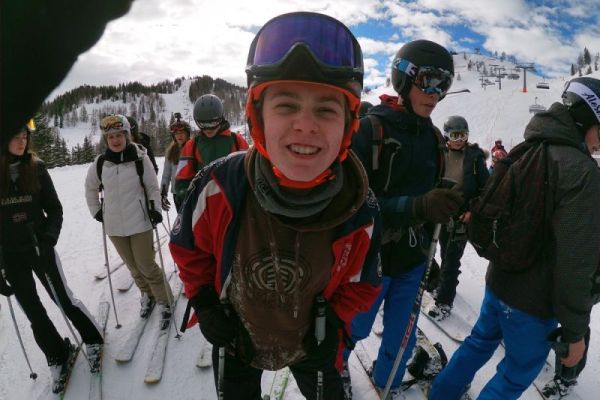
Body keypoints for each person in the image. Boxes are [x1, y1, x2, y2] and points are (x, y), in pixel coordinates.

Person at [169, 11, 382, 400]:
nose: (305, 125)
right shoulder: (219, 186)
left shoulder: (359, 207)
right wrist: (204, 301)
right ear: (258, 117)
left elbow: (364, 281)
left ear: (348, 124)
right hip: (237, 335)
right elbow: (188, 249)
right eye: (286, 105)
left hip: (312, 343)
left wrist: (336, 323)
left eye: (326, 109)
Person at [429, 76, 600, 400]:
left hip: (499, 283)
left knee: (479, 343)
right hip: (534, 303)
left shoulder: (526, 149)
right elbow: (576, 263)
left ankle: (441, 394)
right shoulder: (582, 172)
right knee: (516, 373)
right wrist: (575, 332)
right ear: (584, 120)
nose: (599, 144)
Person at [343, 39, 462, 398]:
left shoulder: (434, 139)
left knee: (402, 336)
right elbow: (350, 204)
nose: (435, 93)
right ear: (404, 78)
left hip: (412, 260)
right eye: (428, 80)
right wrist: (415, 207)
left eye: (444, 84)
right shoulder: (370, 131)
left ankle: (388, 382)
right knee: (354, 327)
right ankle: (335, 371)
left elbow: (428, 207)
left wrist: (430, 250)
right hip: (370, 258)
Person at [0, 121, 104, 391]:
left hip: (39, 249)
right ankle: (57, 353)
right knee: (33, 312)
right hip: (10, 258)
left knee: (63, 299)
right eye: (15, 136)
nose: (22, 141)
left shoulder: (37, 168)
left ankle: (93, 339)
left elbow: (55, 210)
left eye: (25, 135)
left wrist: (48, 241)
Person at [85, 114, 173, 327]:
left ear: (126, 135)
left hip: (140, 221)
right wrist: (97, 211)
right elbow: (90, 188)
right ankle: (147, 294)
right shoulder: (101, 163)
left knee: (147, 265)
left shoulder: (140, 159)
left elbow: (152, 187)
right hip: (114, 226)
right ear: (106, 139)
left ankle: (165, 301)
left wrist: (155, 209)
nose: (115, 140)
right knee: (133, 267)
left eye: (119, 135)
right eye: (111, 136)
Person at [425, 115, 489, 321]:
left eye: (463, 135)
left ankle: (444, 302)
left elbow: (486, 189)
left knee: (451, 260)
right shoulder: (439, 153)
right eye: (455, 135)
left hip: (459, 217)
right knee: (431, 251)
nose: (459, 140)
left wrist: (472, 210)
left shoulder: (475, 158)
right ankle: (437, 283)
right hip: (437, 212)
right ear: (446, 136)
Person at [173, 94, 249, 204]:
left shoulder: (237, 141)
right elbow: (182, 180)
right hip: (204, 205)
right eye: (203, 124)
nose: (208, 129)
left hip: (234, 203)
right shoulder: (192, 146)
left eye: (213, 123)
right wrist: (186, 195)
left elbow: (249, 171)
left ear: (221, 119)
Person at [160, 113, 191, 212]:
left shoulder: (194, 148)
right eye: (176, 133)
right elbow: (166, 174)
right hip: (177, 193)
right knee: (181, 219)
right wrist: (163, 192)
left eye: (182, 133)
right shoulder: (171, 151)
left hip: (191, 192)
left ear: (187, 134)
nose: (179, 136)